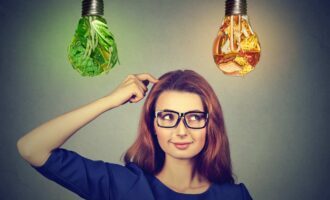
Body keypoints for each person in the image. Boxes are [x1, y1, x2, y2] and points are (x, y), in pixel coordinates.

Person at [17, 69, 253, 200]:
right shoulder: (122, 185)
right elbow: (31, 148)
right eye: (168, 117)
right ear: (152, 125)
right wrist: (109, 100)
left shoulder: (235, 196)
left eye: (194, 117)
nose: (182, 131)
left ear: (210, 124)